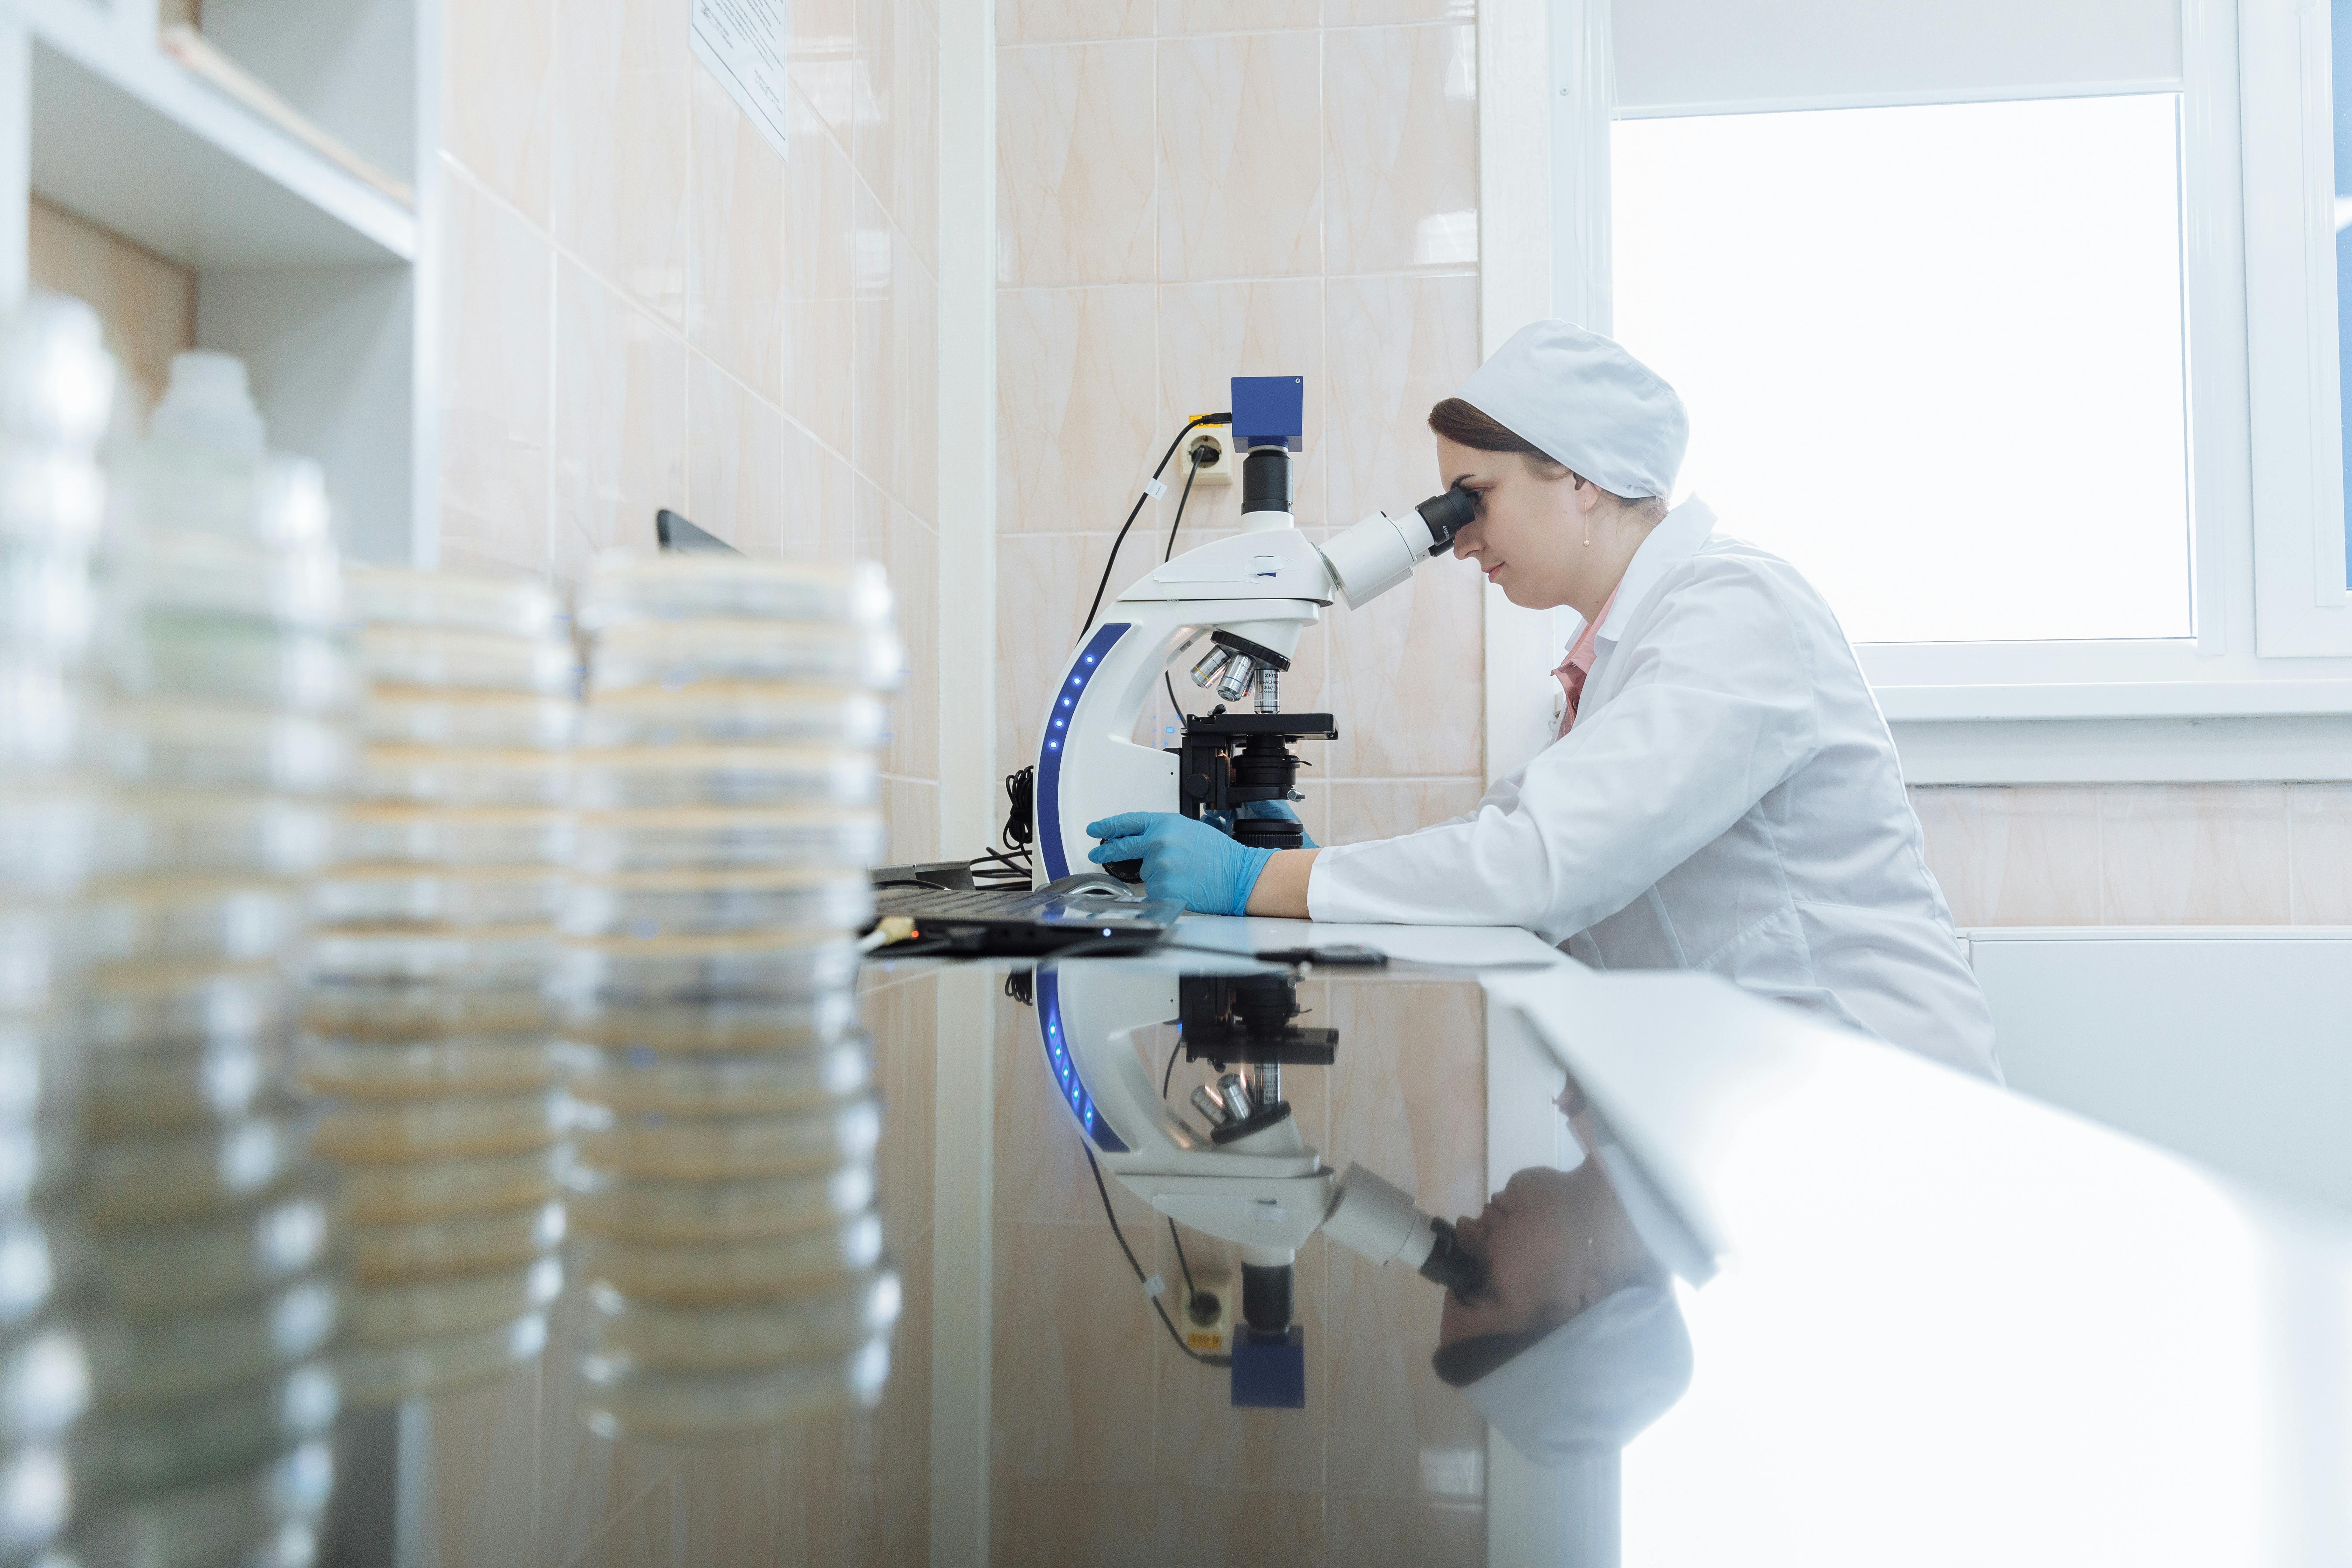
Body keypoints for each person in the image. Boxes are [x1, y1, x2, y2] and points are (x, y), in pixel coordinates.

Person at [1087, 320, 1999, 1079]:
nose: (1456, 538)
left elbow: (1540, 865)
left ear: (1583, 476)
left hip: (1870, 1090)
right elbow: (1515, 845)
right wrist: (1311, 867)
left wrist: (1263, 882)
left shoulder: (1735, 609)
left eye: (1471, 498)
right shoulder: (1622, 651)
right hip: (1763, 1089)